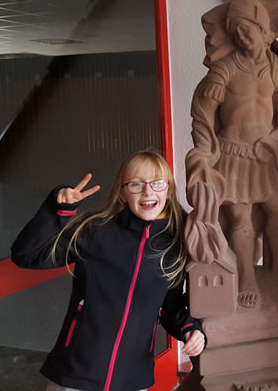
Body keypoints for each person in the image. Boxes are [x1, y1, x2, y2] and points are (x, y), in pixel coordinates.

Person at [11, 149, 205, 391]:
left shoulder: (175, 243)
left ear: (168, 189)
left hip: (132, 379)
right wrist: (59, 209)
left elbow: (169, 306)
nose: (148, 192)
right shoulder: (95, 230)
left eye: (157, 183)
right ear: (123, 193)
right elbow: (27, 255)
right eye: (136, 184)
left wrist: (190, 329)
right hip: (75, 375)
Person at [185, 0, 278, 309]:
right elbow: (204, 112)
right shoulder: (224, 69)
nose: (242, 36)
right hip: (232, 153)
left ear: (262, 28)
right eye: (236, 31)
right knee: (240, 216)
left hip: (265, 153)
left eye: (248, 28)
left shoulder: (276, 67)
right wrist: (204, 151)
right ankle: (245, 275)